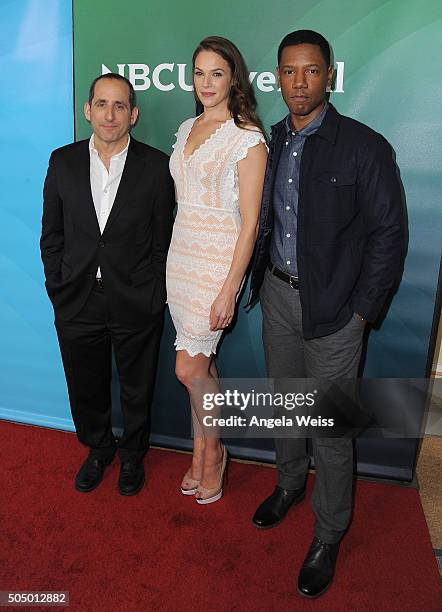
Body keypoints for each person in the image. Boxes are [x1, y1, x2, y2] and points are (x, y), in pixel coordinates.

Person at [246, 30, 405, 598]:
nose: (297, 82)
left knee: (330, 428)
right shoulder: (272, 142)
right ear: (278, 77)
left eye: (310, 71)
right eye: (288, 71)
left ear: (329, 76)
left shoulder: (364, 146)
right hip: (279, 299)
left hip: (337, 310)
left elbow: (390, 234)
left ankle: (330, 531)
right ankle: (289, 484)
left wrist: (362, 311)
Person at [40, 74, 175, 496]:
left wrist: (153, 291)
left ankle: (133, 455)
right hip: (77, 298)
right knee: (85, 384)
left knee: (139, 385)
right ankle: (98, 448)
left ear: (133, 114)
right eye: (102, 104)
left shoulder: (155, 166)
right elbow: (52, 234)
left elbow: (162, 239)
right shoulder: (62, 161)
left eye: (119, 106)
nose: (110, 114)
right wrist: (57, 285)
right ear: (88, 110)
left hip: (135, 298)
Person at [166, 36, 267, 504]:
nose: (206, 83)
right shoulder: (187, 126)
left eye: (217, 74)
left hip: (215, 266)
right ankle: (201, 454)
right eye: (200, 73)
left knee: (188, 368)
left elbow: (250, 224)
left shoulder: (247, 138)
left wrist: (229, 289)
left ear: (234, 79)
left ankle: (214, 452)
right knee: (201, 368)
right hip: (180, 258)